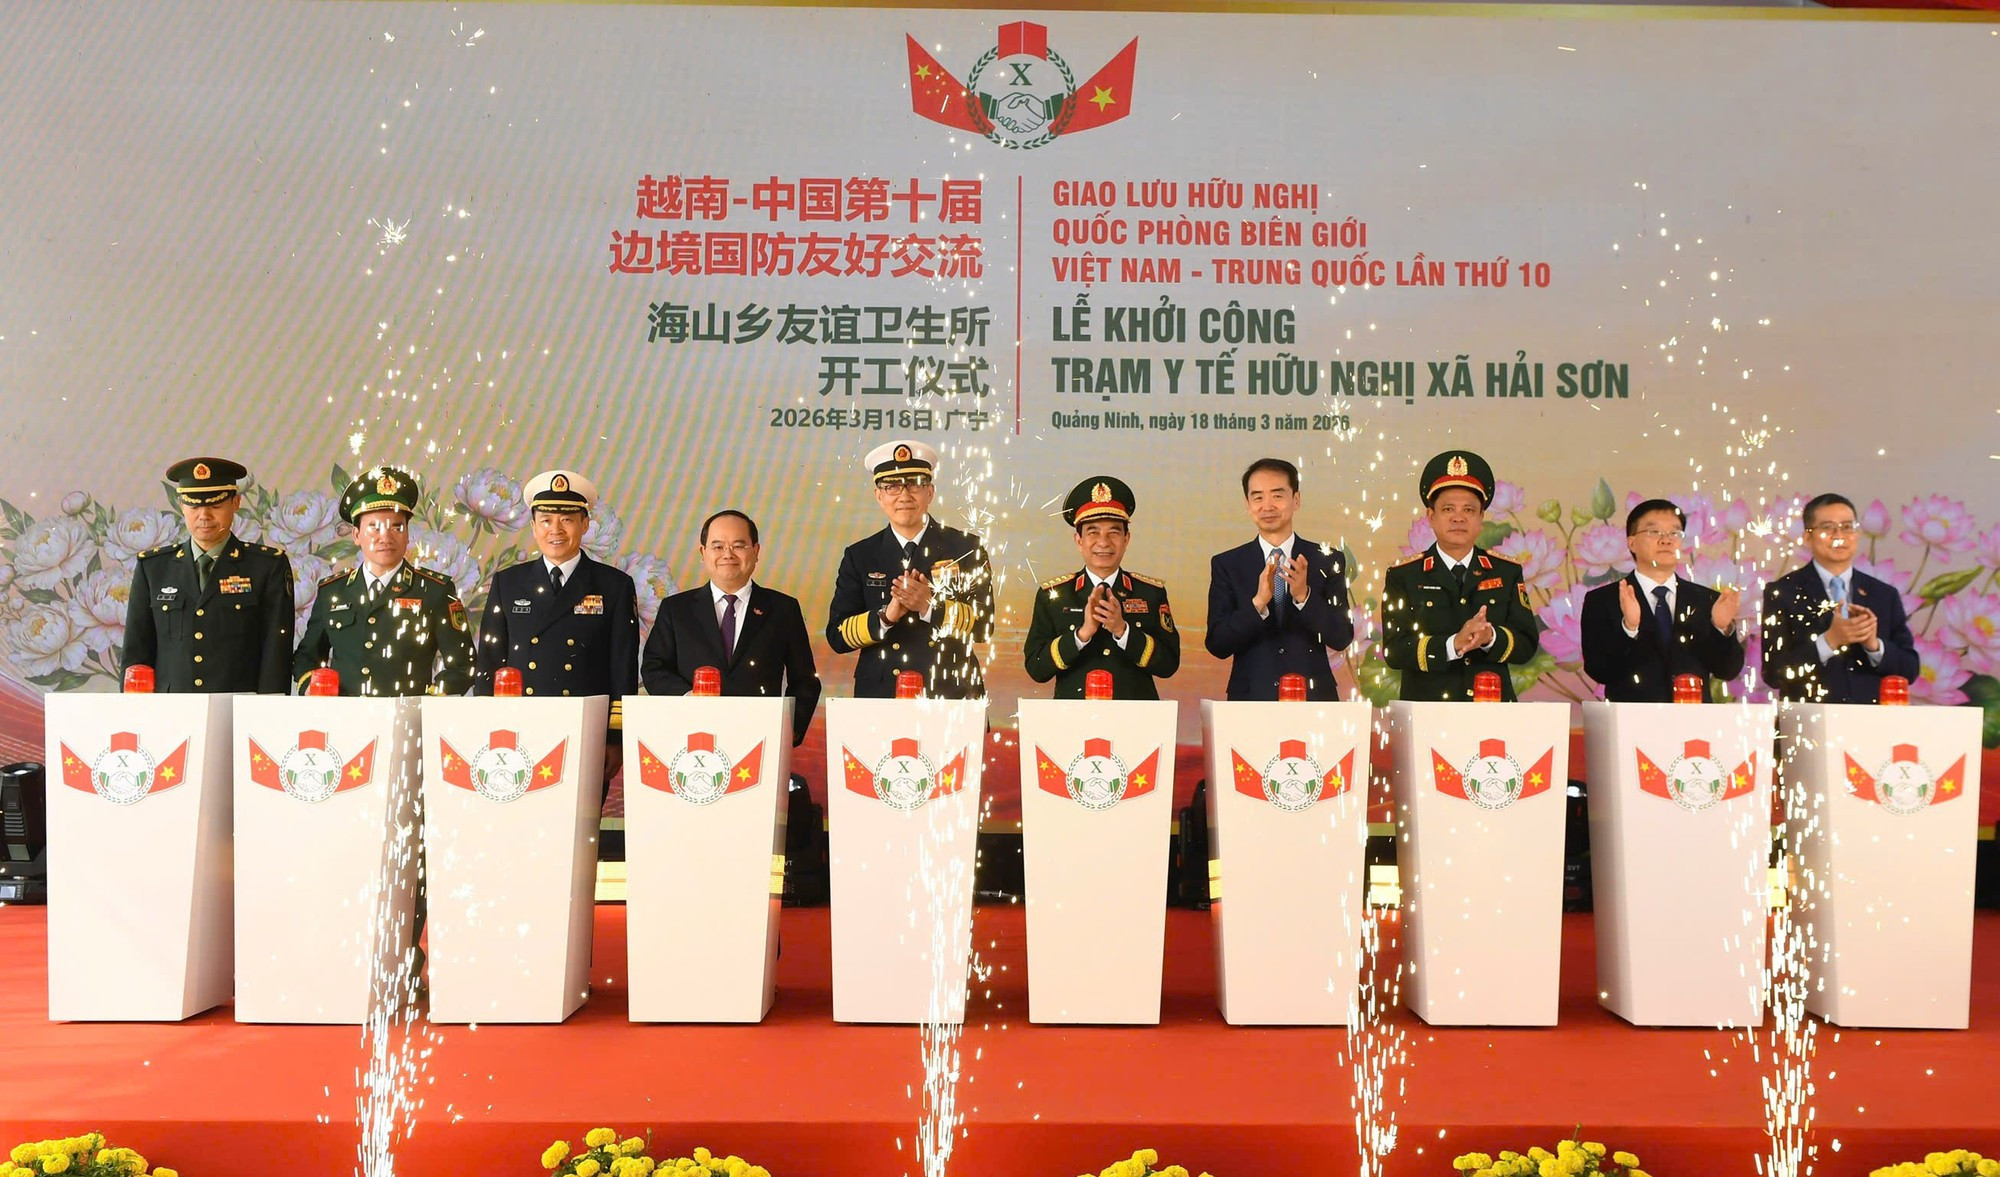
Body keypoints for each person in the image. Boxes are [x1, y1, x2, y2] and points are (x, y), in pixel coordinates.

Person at [474, 470, 640, 739]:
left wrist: (614, 739)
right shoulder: (508, 583)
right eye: (546, 520)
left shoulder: (614, 585)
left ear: (585, 524)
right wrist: (486, 725)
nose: (556, 530)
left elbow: (622, 667)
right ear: (533, 527)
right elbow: (490, 661)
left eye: (567, 520)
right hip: (519, 726)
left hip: (586, 727)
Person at [825, 440, 993, 698]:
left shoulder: (967, 548)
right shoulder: (860, 555)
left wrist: (929, 606)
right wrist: (886, 616)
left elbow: (983, 626)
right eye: (892, 487)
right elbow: (837, 637)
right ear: (879, 496)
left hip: (950, 694)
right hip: (881, 694)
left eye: (914, 484)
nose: (904, 496)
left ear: (930, 492)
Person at [642, 509, 822, 746]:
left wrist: (792, 729)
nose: (727, 554)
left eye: (739, 545)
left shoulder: (783, 609)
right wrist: (689, 699)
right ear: (702, 553)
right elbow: (654, 669)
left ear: (756, 551)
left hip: (761, 739)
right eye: (717, 546)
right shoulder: (676, 609)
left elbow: (805, 680)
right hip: (691, 737)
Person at [293, 466, 474, 696]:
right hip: (345, 721)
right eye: (374, 527)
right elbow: (307, 656)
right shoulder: (332, 591)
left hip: (407, 722)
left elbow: (462, 664)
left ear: (408, 534)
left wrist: (429, 701)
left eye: (396, 527)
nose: (385, 537)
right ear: (356, 535)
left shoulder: (434, 591)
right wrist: (312, 686)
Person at [120, 457, 295, 693]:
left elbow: (276, 654)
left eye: (215, 505)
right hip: (172, 711)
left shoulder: (266, 567)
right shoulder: (154, 568)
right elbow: (136, 650)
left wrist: (264, 716)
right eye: (194, 506)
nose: (204, 515)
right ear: (181, 506)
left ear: (235, 502)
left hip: (238, 709)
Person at [1381, 450, 1540, 701]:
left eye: (1469, 509)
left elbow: (1526, 644)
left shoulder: (1506, 572)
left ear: (1481, 518)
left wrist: (1490, 638)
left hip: (1491, 709)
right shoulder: (1404, 575)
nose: (1458, 517)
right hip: (1428, 711)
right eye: (1448, 509)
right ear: (1431, 517)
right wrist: (1452, 644)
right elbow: (1395, 650)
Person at [1203, 457, 1354, 701]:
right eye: (1258, 497)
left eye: (1277, 495)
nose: (1267, 506)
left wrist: (1305, 597)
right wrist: (1258, 603)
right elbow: (1217, 644)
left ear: (1296, 499)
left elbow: (1342, 637)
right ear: (1248, 504)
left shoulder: (1326, 559)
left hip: (1314, 699)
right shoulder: (1228, 564)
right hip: (1251, 699)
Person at [1024, 476, 1179, 699]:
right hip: (1072, 720)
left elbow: (1169, 665)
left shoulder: (1150, 593)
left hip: (1136, 720)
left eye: (1114, 532)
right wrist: (1082, 634)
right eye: (1093, 532)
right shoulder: (1054, 595)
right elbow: (1036, 668)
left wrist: (1122, 630)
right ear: (1078, 540)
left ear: (1127, 538)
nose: (1104, 542)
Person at [1580, 499, 1745, 701]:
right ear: (1631, 543)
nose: (1666, 540)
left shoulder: (1706, 601)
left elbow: (1727, 671)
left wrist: (1721, 628)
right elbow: (1600, 671)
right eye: (1654, 532)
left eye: (1675, 533)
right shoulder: (1603, 600)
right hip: (1632, 723)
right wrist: (1629, 628)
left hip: (1693, 724)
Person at [1761, 492, 1919, 703]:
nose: (1839, 535)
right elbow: (1774, 672)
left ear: (1857, 533)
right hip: (1809, 722)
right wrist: (1829, 642)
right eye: (1827, 528)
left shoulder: (1883, 595)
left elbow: (1909, 669)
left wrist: (1874, 645)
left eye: (1847, 527)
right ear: (1808, 537)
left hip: (1871, 723)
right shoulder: (1783, 592)